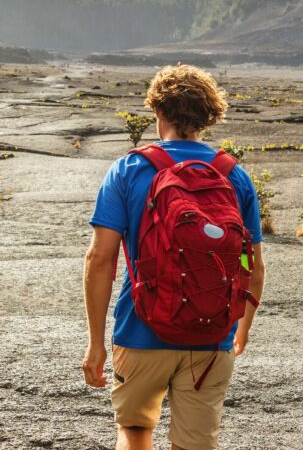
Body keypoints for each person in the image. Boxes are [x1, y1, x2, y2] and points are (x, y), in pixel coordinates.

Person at [82, 64, 266, 450]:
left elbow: (100, 259)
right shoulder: (235, 176)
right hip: (213, 337)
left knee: (134, 432)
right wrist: (241, 325)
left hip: (140, 332)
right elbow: (252, 264)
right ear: (207, 117)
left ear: (158, 111)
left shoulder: (129, 169)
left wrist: (96, 342)